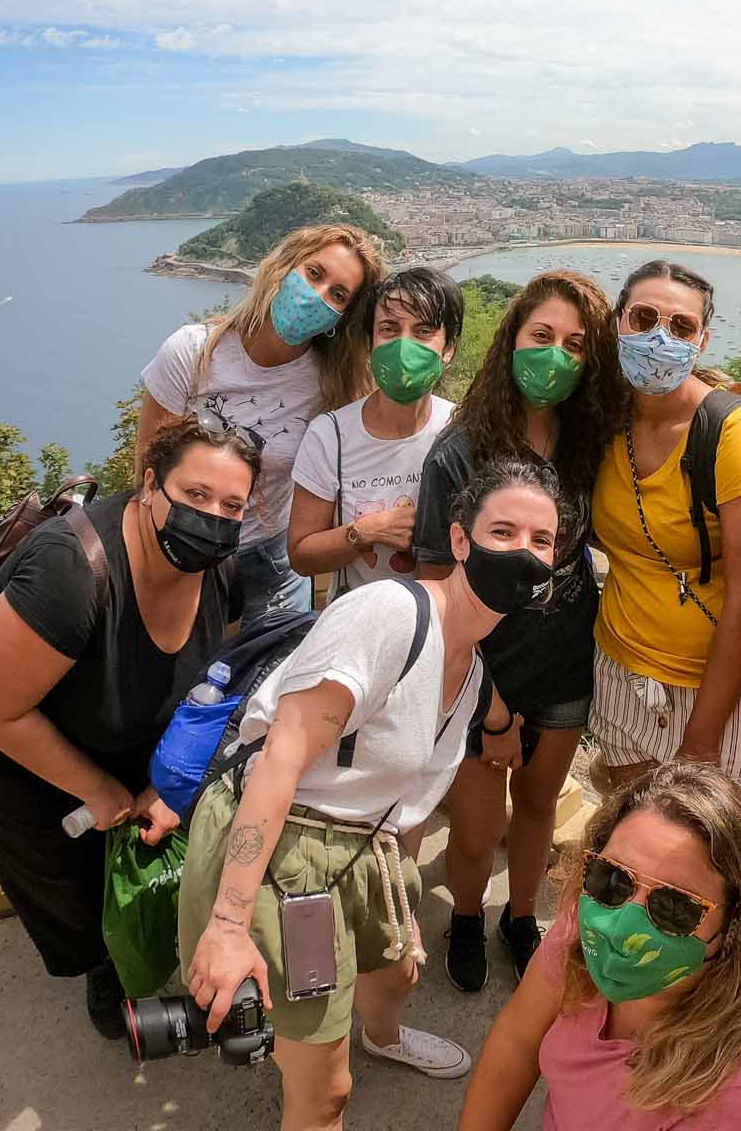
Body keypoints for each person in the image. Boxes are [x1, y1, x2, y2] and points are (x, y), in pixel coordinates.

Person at [180, 459, 564, 1131]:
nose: (524, 554)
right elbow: (283, 758)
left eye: (541, 541)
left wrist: (397, 896)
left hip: (366, 841)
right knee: (324, 1091)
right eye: (504, 531)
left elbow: (399, 794)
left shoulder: (469, 670)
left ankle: (381, 1035)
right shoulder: (392, 614)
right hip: (287, 842)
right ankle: (321, 1066)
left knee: (398, 970)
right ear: (462, 541)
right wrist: (229, 923)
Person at [0, 415, 257, 1038]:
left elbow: (219, 677)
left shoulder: (219, 564)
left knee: (140, 840)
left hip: (120, 710)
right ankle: (102, 968)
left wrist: (171, 779)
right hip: (9, 734)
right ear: (149, 484)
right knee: (67, 877)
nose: (213, 515)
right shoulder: (72, 571)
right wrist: (100, 790)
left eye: (232, 504)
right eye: (195, 495)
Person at [408, 269, 624, 993]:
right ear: (511, 341)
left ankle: (519, 916)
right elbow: (441, 590)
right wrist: (492, 705)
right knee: (473, 825)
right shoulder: (460, 454)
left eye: (575, 344)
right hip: (477, 672)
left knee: (536, 806)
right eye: (542, 337)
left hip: (563, 663)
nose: (556, 355)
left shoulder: (589, 444)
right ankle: (467, 916)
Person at [458, 761, 741, 1131]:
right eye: (614, 877)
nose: (623, 926)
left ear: (737, 926)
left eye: (674, 908)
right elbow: (519, 1038)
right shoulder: (595, 914)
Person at [589, 260, 741, 800]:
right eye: (643, 318)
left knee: (710, 860)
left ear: (702, 341)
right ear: (618, 324)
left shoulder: (730, 430)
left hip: (724, 692)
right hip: (624, 671)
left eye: (680, 327)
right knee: (630, 840)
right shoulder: (601, 420)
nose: (659, 336)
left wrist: (702, 736)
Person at [138, 223, 385, 626]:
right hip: (180, 546)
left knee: (271, 682)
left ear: (339, 319)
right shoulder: (194, 351)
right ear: (283, 268)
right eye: (314, 274)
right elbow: (146, 472)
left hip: (270, 566)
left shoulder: (332, 385)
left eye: (338, 295)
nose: (316, 296)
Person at [288, 267, 461, 596]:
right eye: (389, 329)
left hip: (442, 626)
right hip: (360, 626)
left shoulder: (461, 428)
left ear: (448, 348)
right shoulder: (331, 436)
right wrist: (365, 531)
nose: (404, 345)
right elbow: (300, 555)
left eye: (423, 331)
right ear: (370, 342)